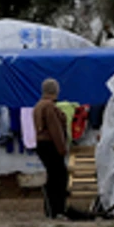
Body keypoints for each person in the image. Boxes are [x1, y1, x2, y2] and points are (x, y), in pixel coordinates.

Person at [33, 78, 72, 219]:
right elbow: (55, 129)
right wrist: (62, 148)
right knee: (59, 177)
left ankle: (51, 210)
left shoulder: (38, 106)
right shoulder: (50, 107)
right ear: (55, 90)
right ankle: (57, 210)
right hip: (50, 144)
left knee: (53, 175)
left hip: (41, 144)